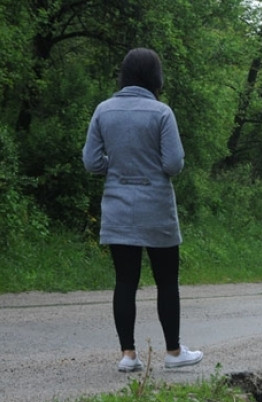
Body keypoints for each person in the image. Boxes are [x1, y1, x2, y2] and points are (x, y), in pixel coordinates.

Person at [82, 47, 203, 372]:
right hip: (156, 208)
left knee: (125, 281)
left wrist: (117, 166)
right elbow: (173, 164)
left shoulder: (103, 111)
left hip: (118, 206)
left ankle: (128, 355)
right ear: (155, 77)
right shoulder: (161, 113)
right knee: (166, 281)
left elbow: (91, 161)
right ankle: (174, 353)